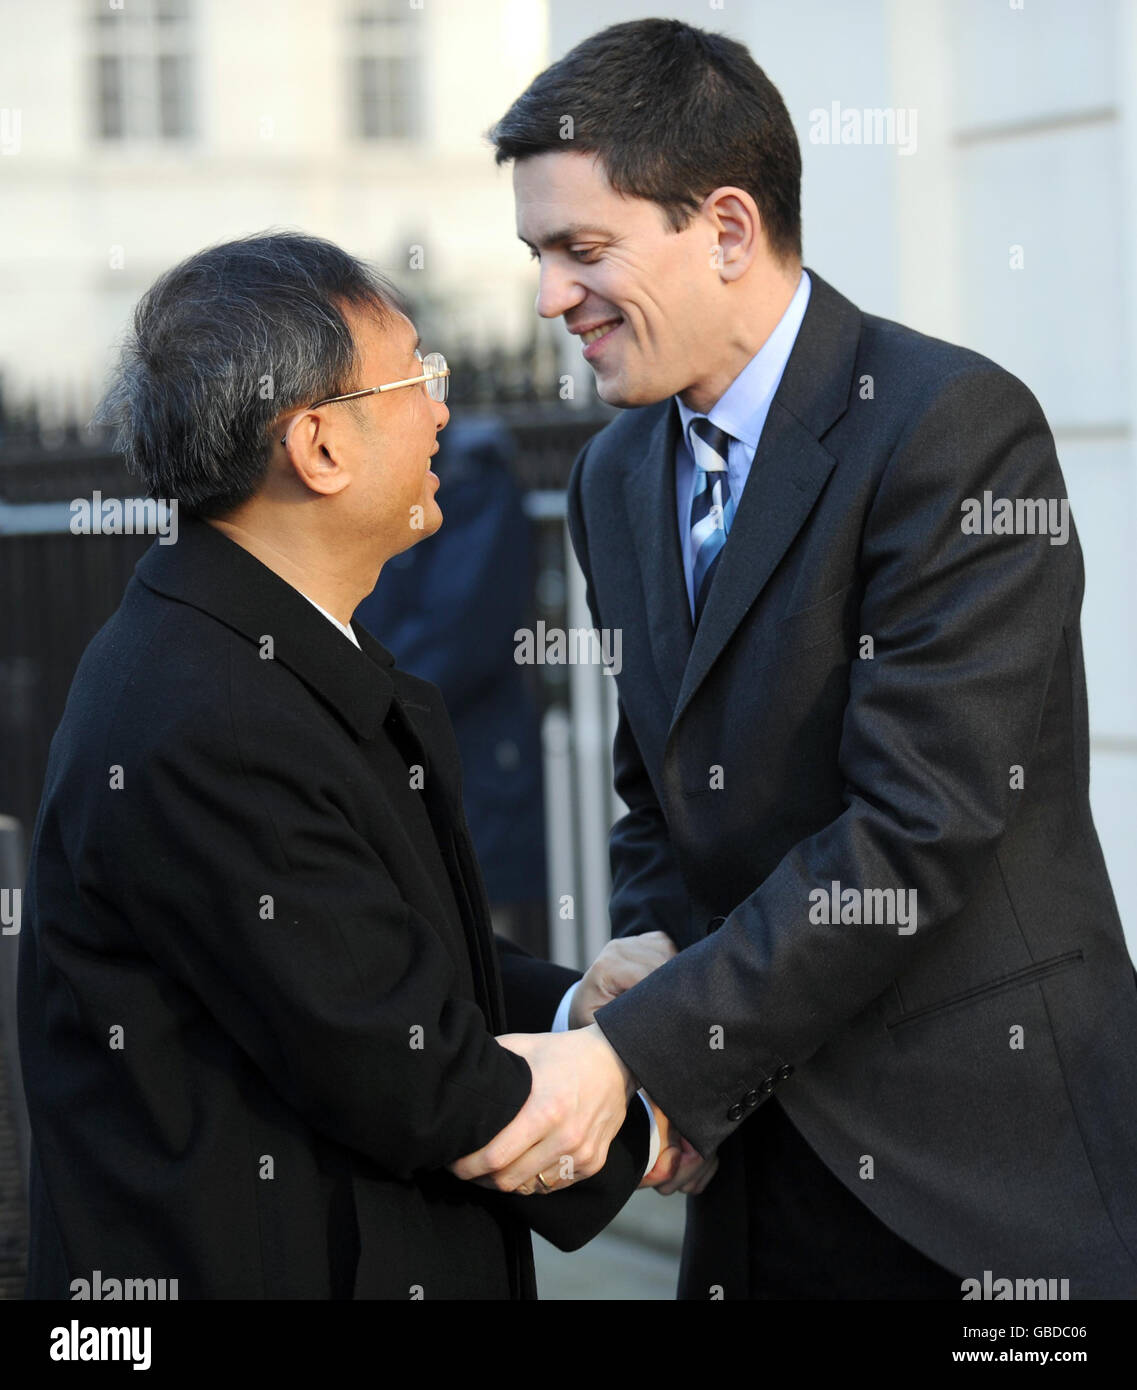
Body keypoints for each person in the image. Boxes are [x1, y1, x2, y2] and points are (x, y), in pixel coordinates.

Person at [457, 19, 1137, 1299]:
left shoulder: (953, 430)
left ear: (725, 227)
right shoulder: (613, 475)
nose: (550, 297)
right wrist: (649, 946)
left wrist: (635, 1055)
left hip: (978, 1182)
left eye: (581, 249)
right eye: (537, 254)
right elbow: (657, 786)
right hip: (751, 1158)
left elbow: (917, 827)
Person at [17, 231, 679, 1300]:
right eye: (421, 376)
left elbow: (379, 942)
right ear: (318, 445)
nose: (446, 412)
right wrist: (649, 1118)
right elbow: (399, 1061)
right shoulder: (206, 713)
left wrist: (577, 1015)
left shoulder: (256, 639)